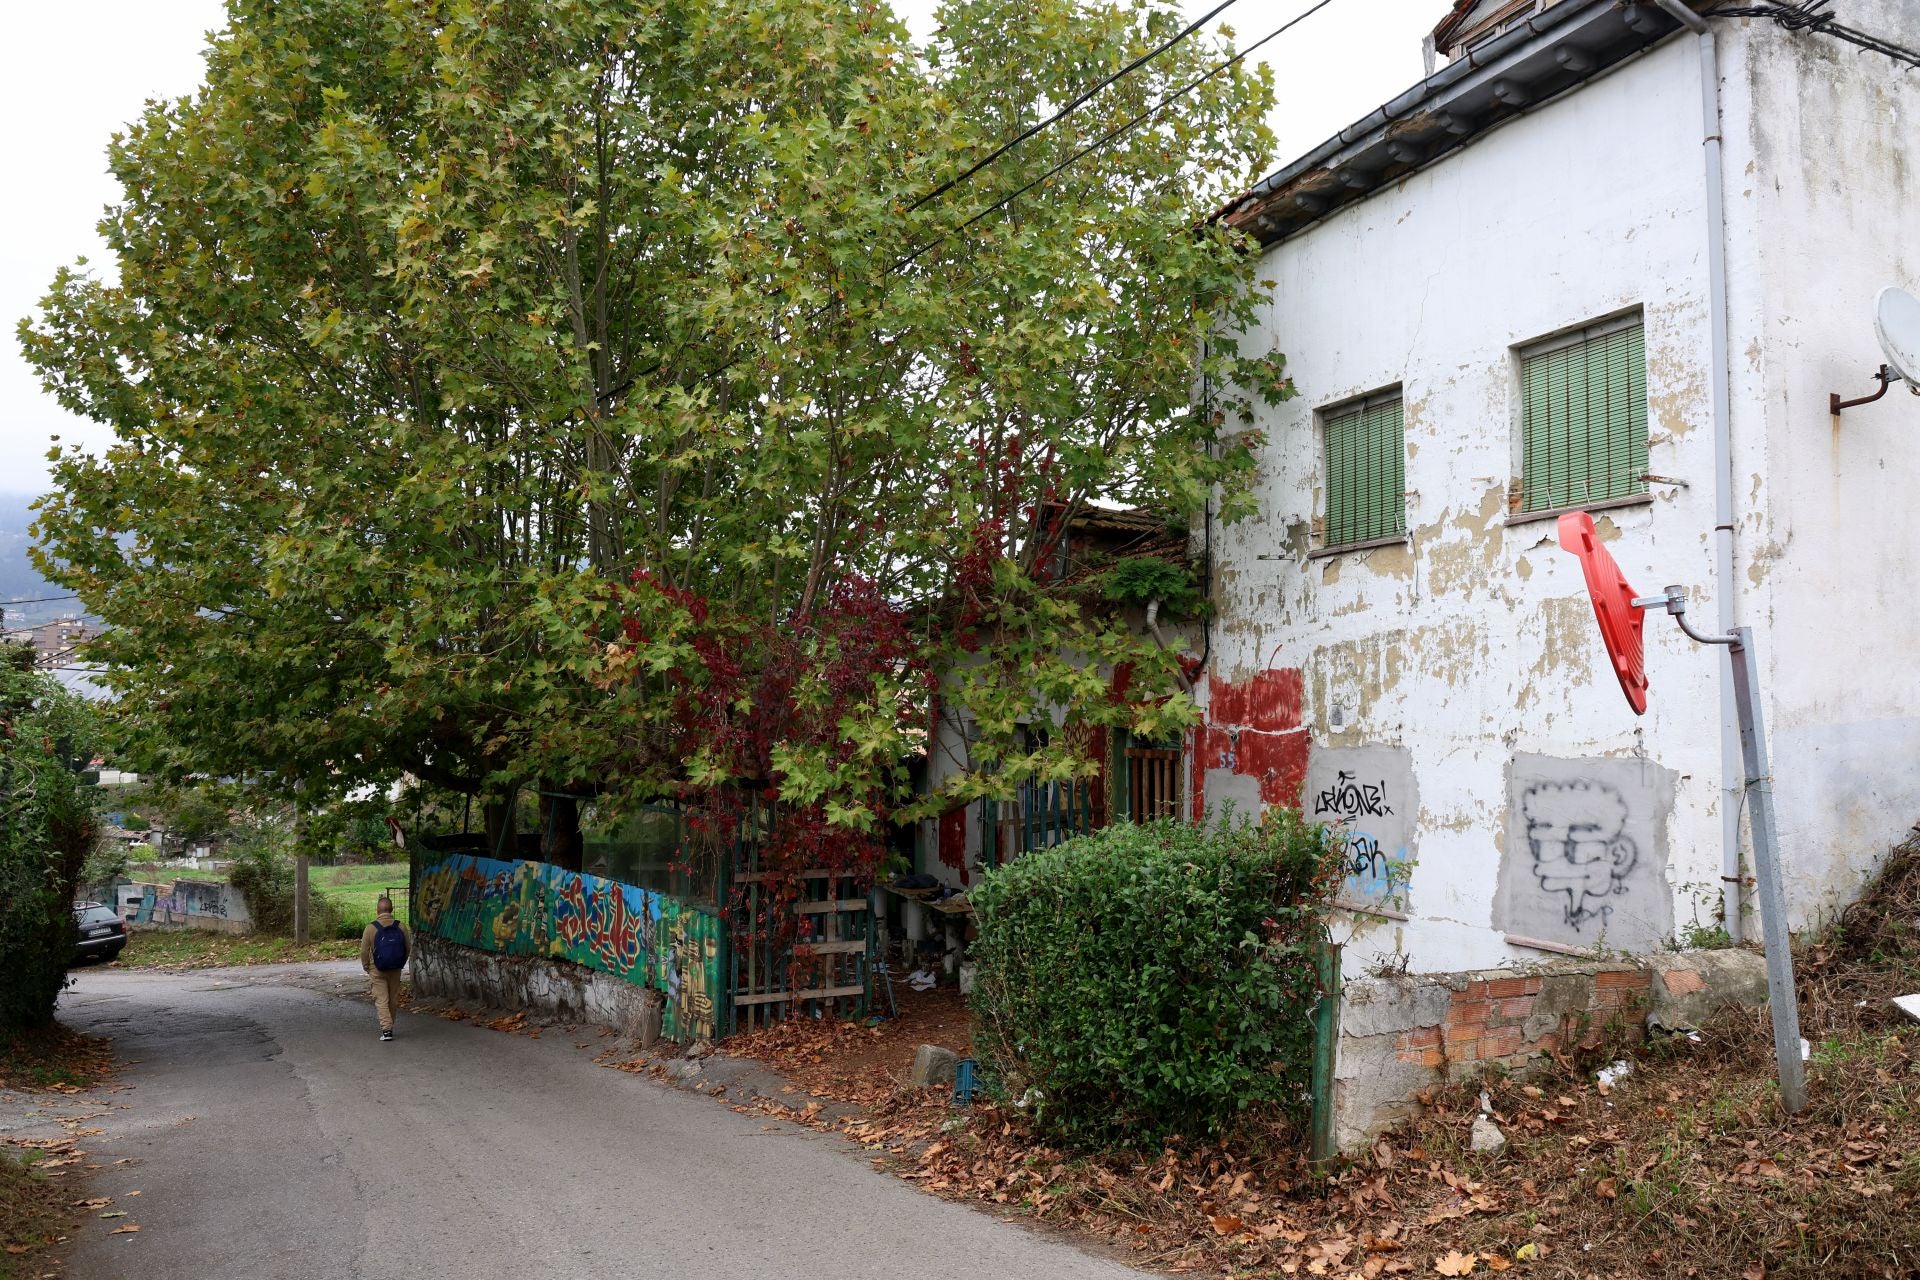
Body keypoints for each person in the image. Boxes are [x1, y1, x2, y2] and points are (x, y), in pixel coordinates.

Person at [359, 896, 410, 1042]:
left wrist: (366, 966)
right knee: (392, 999)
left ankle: (387, 1030)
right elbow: (408, 948)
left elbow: (364, 951)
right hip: (395, 968)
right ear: (392, 909)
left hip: (377, 969)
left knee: (381, 999)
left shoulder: (370, 928)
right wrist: (401, 962)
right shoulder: (401, 926)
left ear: (377, 910)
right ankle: (390, 1025)